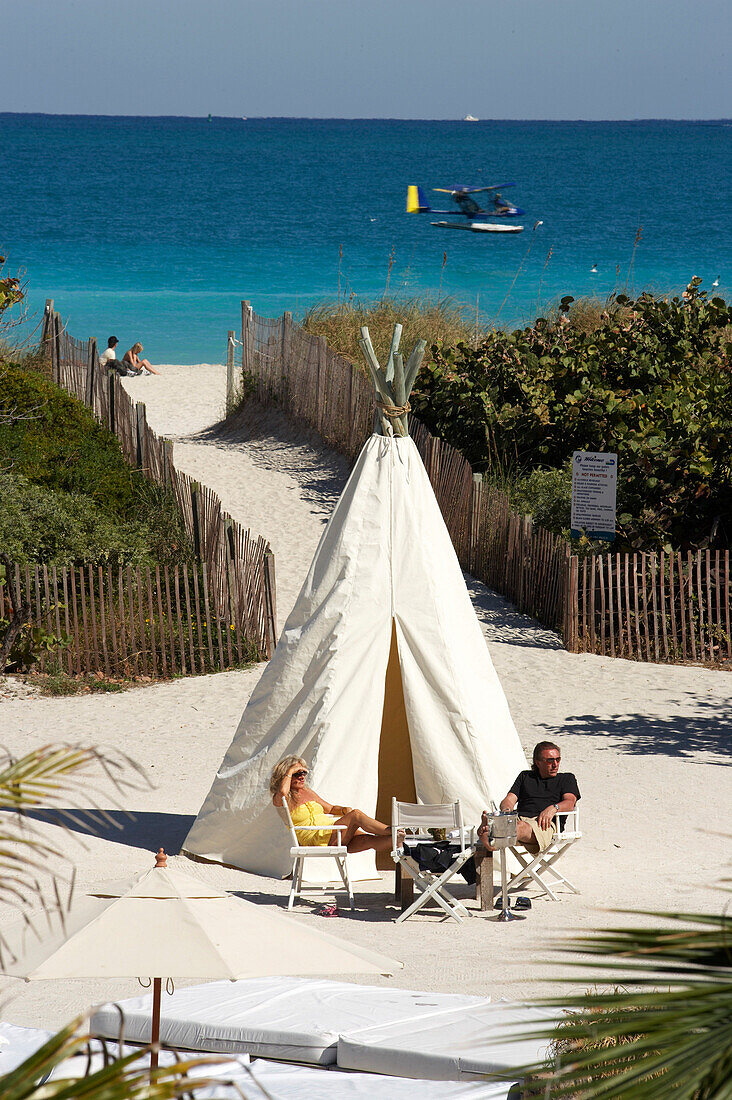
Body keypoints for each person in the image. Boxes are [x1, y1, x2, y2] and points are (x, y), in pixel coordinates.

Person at [270, 756, 400, 855]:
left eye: (303, 773)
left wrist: (344, 810)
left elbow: (331, 809)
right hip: (317, 840)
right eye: (297, 774)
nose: (302, 777)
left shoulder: (307, 792)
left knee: (366, 840)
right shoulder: (281, 798)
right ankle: (393, 830)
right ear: (285, 776)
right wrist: (291, 769)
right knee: (356, 815)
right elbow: (282, 791)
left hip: (332, 832)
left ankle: (400, 839)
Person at [479, 740, 580, 852]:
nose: (555, 764)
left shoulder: (566, 779)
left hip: (544, 825)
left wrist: (553, 808)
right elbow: (509, 799)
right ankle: (492, 832)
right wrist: (506, 811)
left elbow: (570, 802)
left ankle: (491, 833)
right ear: (538, 762)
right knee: (513, 825)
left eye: (558, 759)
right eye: (550, 760)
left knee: (518, 827)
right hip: (519, 820)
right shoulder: (525, 776)